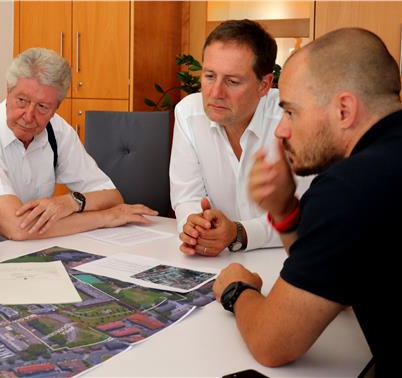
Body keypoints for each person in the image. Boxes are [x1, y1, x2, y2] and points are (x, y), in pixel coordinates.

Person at [214, 28, 400, 373]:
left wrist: (236, 290)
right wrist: (284, 211)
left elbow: (273, 343)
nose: (282, 130)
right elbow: (340, 284)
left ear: (344, 109)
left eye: (291, 112)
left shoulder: (351, 187)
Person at [0, 47, 157, 242]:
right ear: (8, 91)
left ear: (56, 109)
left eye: (42, 106)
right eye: (21, 100)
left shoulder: (57, 129)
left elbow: (111, 196)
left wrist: (71, 202)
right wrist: (106, 217)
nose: (29, 115)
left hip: (27, 253)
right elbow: (16, 228)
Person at [170, 19, 311, 257]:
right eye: (209, 76)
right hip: (213, 261)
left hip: (286, 259)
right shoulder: (188, 113)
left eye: (232, 81)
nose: (215, 93)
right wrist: (196, 226)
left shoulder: (293, 121)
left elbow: (306, 215)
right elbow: (187, 197)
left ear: (264, 85)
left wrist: (239, 233)